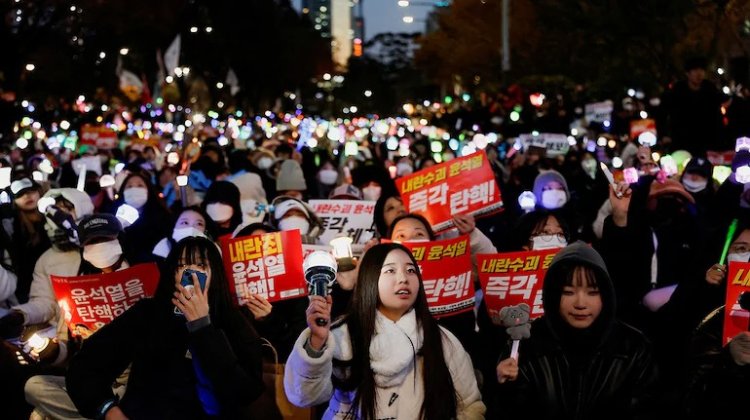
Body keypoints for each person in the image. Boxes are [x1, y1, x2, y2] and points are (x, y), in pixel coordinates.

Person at [64, 236, 265, 419]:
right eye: (182, 265)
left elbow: (245, 392)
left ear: (216, 273)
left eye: (201, 265)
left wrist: (202, 327)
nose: (191, 273)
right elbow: (85, 365)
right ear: (172, 273)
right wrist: (108, 409)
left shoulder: (233, 321)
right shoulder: (149, 313)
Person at [284, 242, 485, 419]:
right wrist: (316, 344)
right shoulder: (342, 335)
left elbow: (468, 405)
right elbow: (304, 396)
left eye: (410, 270)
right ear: (370, 278)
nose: (403, 278)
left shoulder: (441, 339)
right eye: (390, 271)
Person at [495, 241, 660, 419]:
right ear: (553, 294)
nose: (580, 304)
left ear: (606, 295)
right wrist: (505, 388)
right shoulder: (525, 345)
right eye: (568, 292)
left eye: (592, 292)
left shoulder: (634, 348)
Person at [659, 56, 725, 157]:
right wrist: (664, 135)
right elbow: (663, 114)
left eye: (702, 70)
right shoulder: (677, 91)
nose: (699, 74)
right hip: (681, 141)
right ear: (687, 73)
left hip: (707, 142)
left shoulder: (710, 90)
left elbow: (718, 117)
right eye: (695, 70)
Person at [113, 171, 172, 264]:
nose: (135, 189)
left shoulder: (163, 218)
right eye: (129, 186)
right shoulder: (113, 219)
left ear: (148, 191)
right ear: (123, 192)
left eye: (140, 186)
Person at [152, 206, 217, 260]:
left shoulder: (213, 250)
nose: (191, 228)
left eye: (199, 224)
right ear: (174, 226)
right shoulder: (162, 248)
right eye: (185, 223)